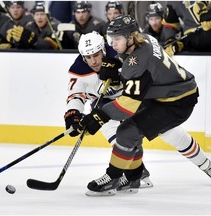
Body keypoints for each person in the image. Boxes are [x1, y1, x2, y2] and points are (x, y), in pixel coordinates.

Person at [77, 15, 211, 196]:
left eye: (117, 39)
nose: (113, 44)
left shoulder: (139, 61)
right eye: (111, 39)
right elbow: (139, 69)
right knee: (146, 131)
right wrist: (118, 68)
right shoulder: (146, 39)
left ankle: (114, 177)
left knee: (128, 131)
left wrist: (100, 115)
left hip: (175, 102)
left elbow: (128, 105)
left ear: (131, 37)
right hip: (173, 92)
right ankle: (135, 177)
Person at [64, 31, 153, 195]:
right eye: (88, 57)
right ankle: (136, 172)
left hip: (136, 100)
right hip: (108, 106)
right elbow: (76, 94)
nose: (93, 61)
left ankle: (204, 164)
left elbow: (141, 73)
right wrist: (73, 114)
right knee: (117, 136)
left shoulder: (120, 52)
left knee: (170, 132)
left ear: (103, 50)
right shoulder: (78, 69)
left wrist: (119, 76)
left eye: (96, 55)